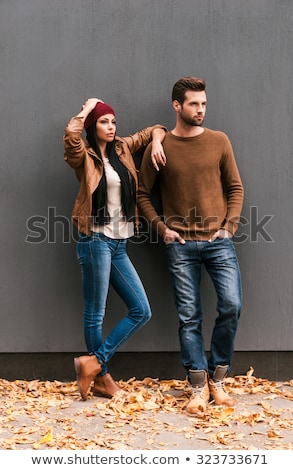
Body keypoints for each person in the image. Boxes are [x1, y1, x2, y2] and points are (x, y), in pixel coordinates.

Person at [138, 77, 244, 414]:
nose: (201, 110)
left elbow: (235, 188)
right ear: (177, 106)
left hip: (218, 243)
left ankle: (219, 378)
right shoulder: (162, 147)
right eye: (194, 104)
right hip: (180, 246)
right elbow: (142, 193)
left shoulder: (219, 141)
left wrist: (228, 228)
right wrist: (161, 228)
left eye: (204, 104)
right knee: (189, 317)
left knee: (231, 305)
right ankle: (198, 387)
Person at [63, 98, 166, 400]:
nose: (110, 127)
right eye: (103, 122)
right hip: (95, 240)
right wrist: (84, 110)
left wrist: (158, 139)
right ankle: (102, 378)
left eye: (113, 121)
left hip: (119, 243)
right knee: (95, 314)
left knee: (141, 310)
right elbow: (71, 137)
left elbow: (153, 131)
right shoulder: (84, 155)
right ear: (93, 126)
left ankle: (93, 363)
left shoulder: (122, 148)